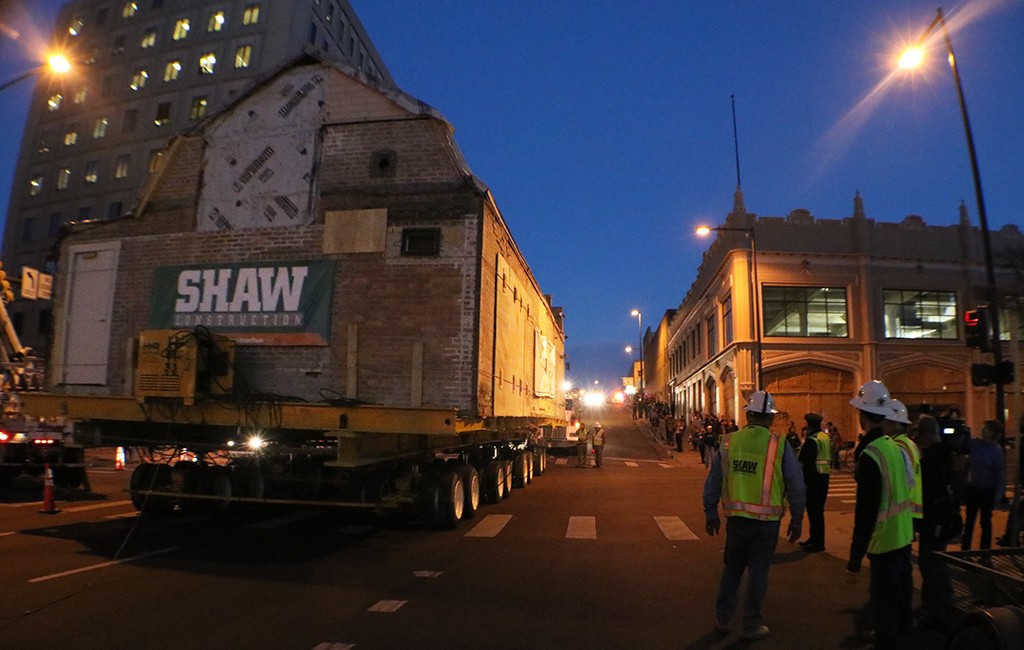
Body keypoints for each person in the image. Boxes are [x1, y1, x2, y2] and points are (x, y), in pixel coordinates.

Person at [703, 390, 806, 642]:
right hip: (767, 525)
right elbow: (796, 484)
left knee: (732, 571)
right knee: (758, 574)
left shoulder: (728, 442)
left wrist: (711, 513)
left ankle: (723, 619)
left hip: (736, 521)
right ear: (770, 419)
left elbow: (712, 482)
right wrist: (797, 517)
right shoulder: (779, 444)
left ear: (748, 415)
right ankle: (751, 625)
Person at [846, 380, 914, 650]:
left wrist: (854, 559)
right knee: (896, 597)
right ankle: (901, 631)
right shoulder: (894, 447)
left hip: (883, 541)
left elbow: (865, 514)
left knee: (883, 603)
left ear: (863, 416)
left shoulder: (871, 454)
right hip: (902, 535)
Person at [914, 415, 958, 630]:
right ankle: (936, 606)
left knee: (931, 564)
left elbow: (926, 492)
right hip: (944, 518)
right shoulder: (946, 454)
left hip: (934, 520)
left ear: (925, 434)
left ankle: (937, 611)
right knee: (937, 563)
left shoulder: (930, 458)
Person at [962, 419, 1006, 550]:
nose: (983, 430)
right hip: (973, 488)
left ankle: (985, 552)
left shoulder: (996, 450)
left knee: (985, 523)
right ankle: (965, 550)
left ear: (993, 433)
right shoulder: (975, 444)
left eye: (986, 429)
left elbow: (999, 475)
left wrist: (997, 496)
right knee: (969, 521)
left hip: (987, 490)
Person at [885, 399, 923, 527]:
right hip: (911, 507)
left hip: (903, 509)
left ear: (894, 423)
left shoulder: (897, 446)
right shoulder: (909, 443)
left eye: (884, 421)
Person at [798, 412, 831, 552]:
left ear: (809, 425)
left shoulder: (812, 440)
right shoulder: (824, 437)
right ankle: (815, 539)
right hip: (823, 478)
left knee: (814, 512)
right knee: (817, 512)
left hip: (813, 480)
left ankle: (817, 543)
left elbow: (805, 460)